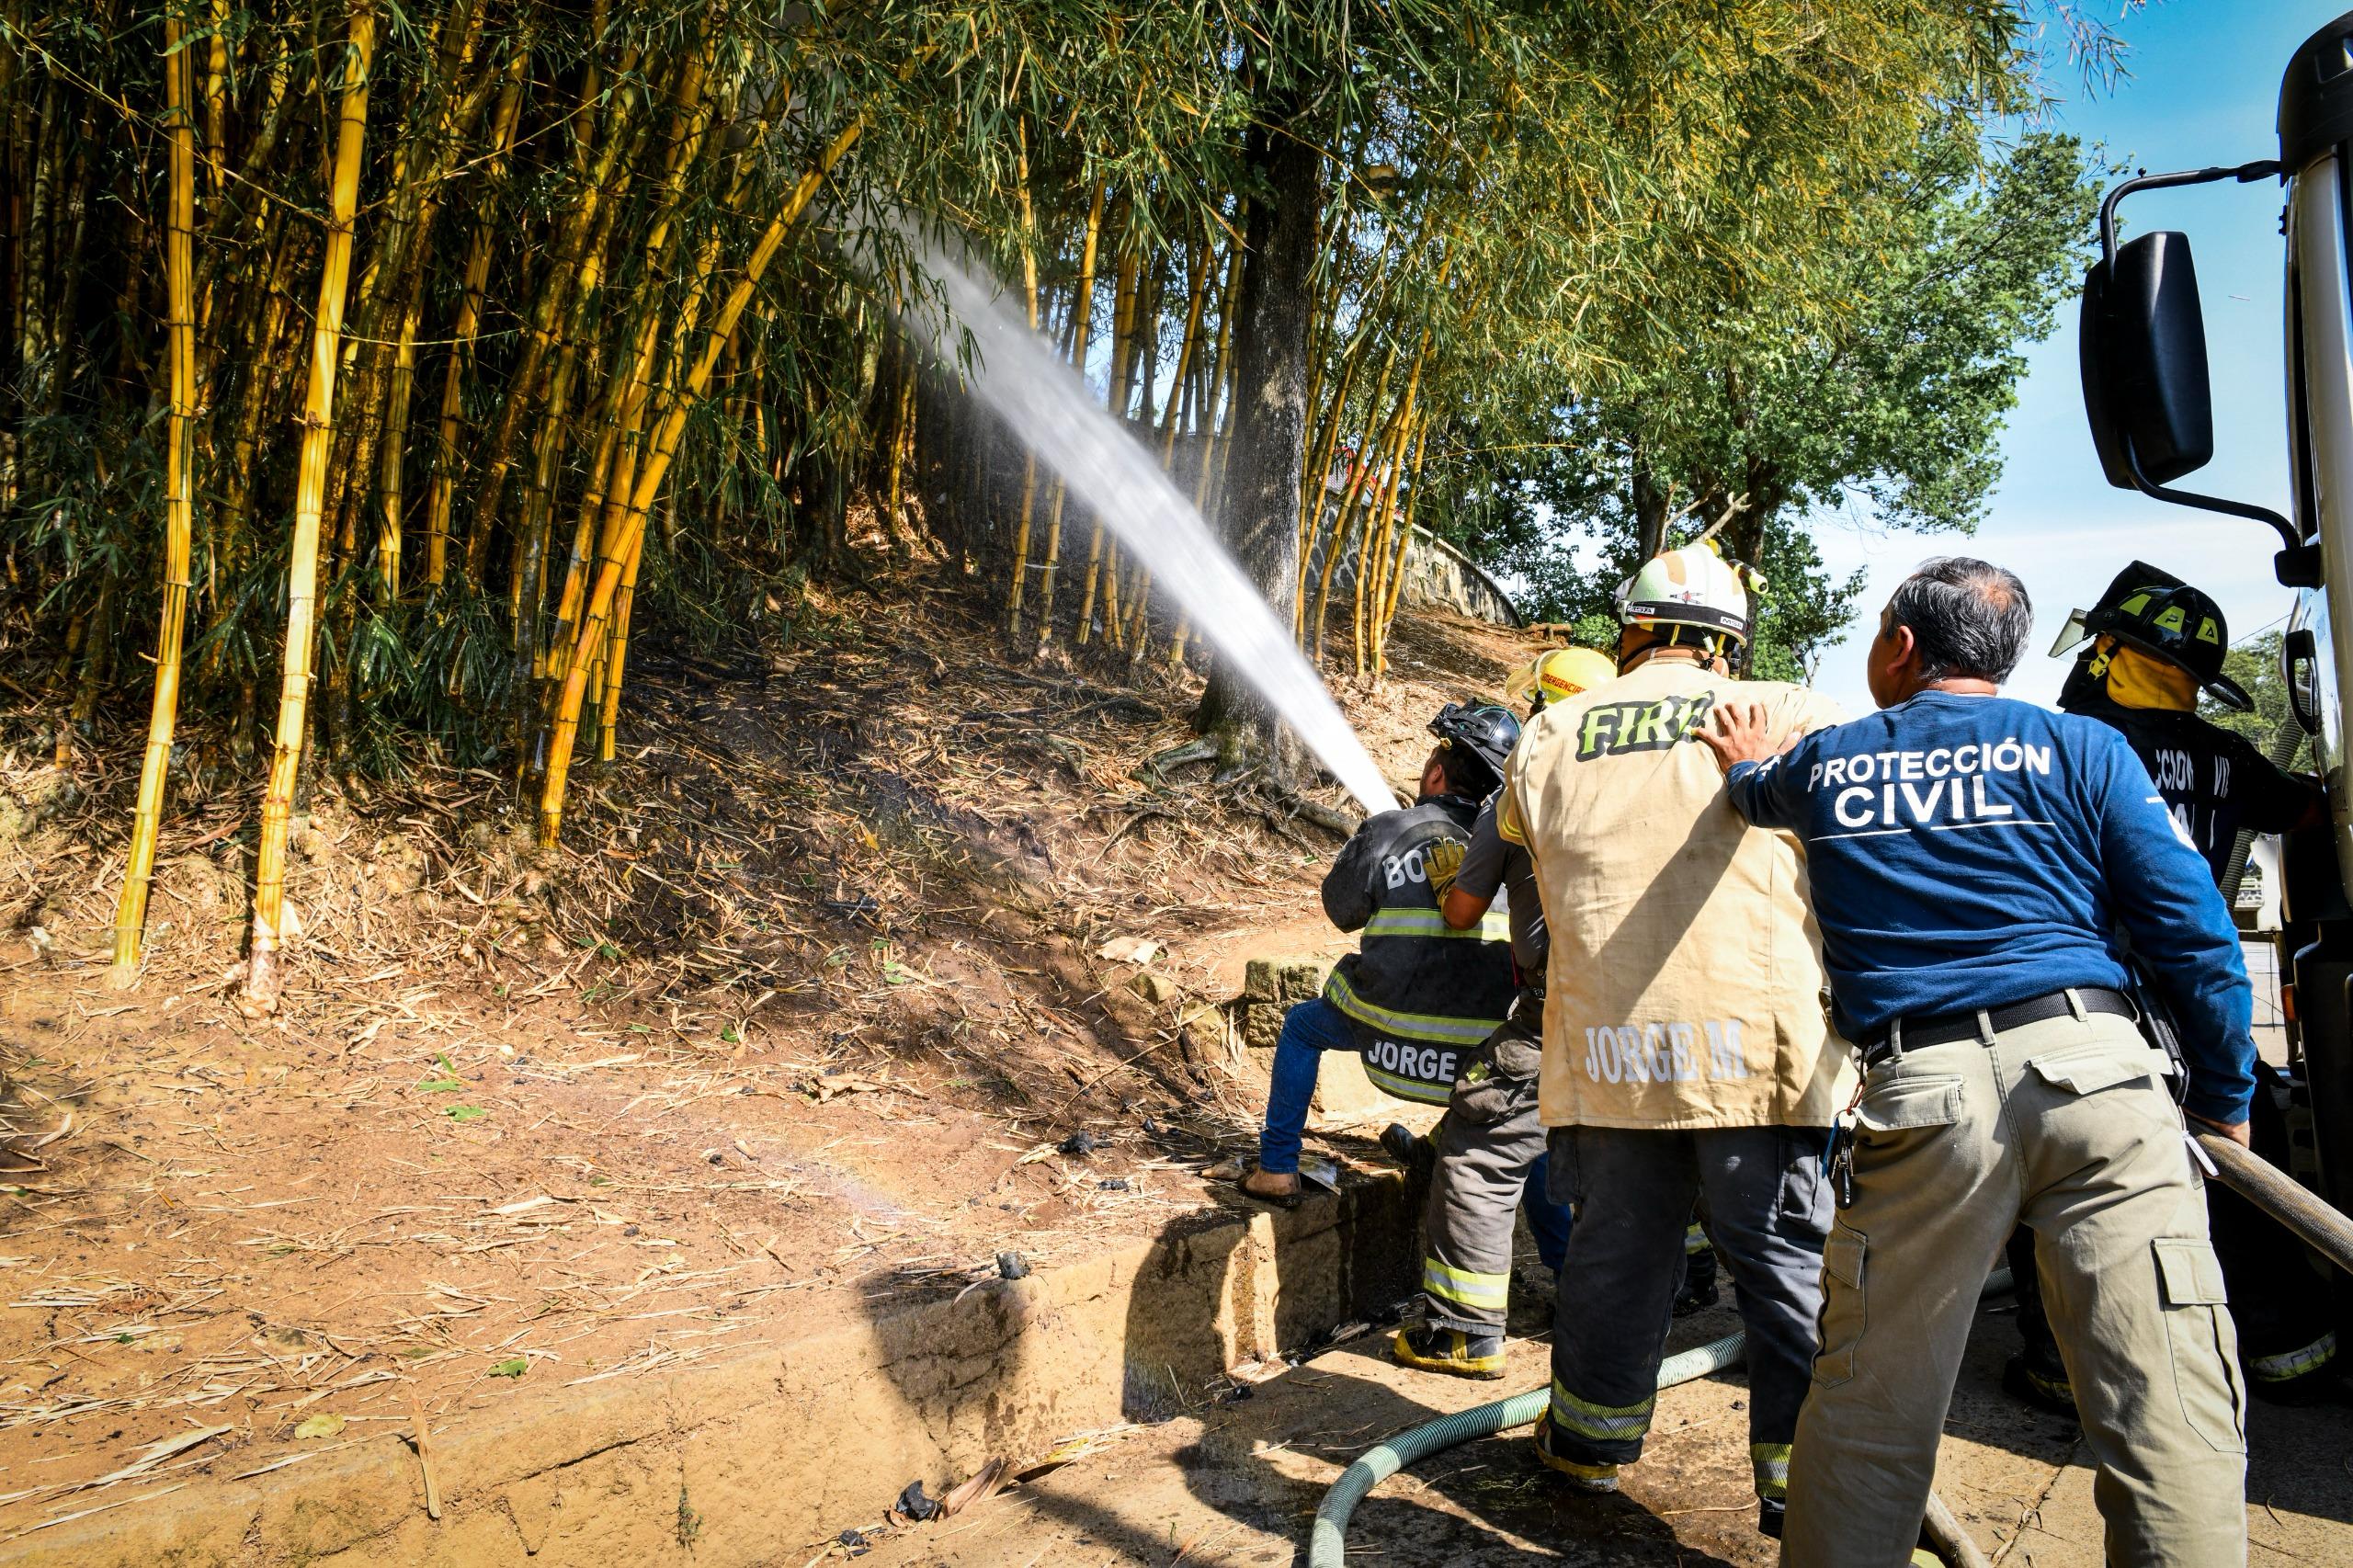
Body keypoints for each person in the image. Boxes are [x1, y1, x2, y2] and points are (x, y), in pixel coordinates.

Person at [1701, 557, 2254, 1567]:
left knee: (1872, 1407)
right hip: (2103, 1076)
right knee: (2166, 1409)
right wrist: (2223, 1095)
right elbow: (2193, 933)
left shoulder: (1828, 761)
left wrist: (1743, 757)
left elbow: (1750, 795)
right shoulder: (2083, 747)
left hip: (1926, 1095)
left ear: (1901, 646)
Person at [1502, 542, 1850, 1535]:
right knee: (1782, 1265)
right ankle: (1804, 1487)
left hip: (1610, 1055)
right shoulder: (1793, 711)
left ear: (1631, 632)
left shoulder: (1552, 728)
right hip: (1757, 1054)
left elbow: (1529, 857)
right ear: (1729, 648)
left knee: (1614, 1254)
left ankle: (1586, 1449)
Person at [2000, 562, 2336, 1411]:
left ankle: (2059, 1368)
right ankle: (2292, 1347)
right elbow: (2306, 810)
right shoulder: (2224, 753)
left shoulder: (2066, 746)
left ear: (2113, 652)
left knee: (2057, 1178)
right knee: (2239, 1170)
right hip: (2201, 994)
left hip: (2098, 1001)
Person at [1387, 647, 1613, 1378]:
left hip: (1564, 1006)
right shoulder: (1657, 776)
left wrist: (1455, 872)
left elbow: (1461, 912)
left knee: (1481, 1144)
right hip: (1668, 1009)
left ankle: (1461, 1332)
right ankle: (1679, 1285)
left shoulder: (1524, 781)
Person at [1240, 703, 1521, 1206]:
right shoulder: (1509, 844)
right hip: (1479, 1047)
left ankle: (1277, 1167)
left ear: (1437, 770)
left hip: (1388, 1028)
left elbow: (1341, 908)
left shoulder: (1391, 829)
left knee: (1302, 1027)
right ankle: (1559, 1254)